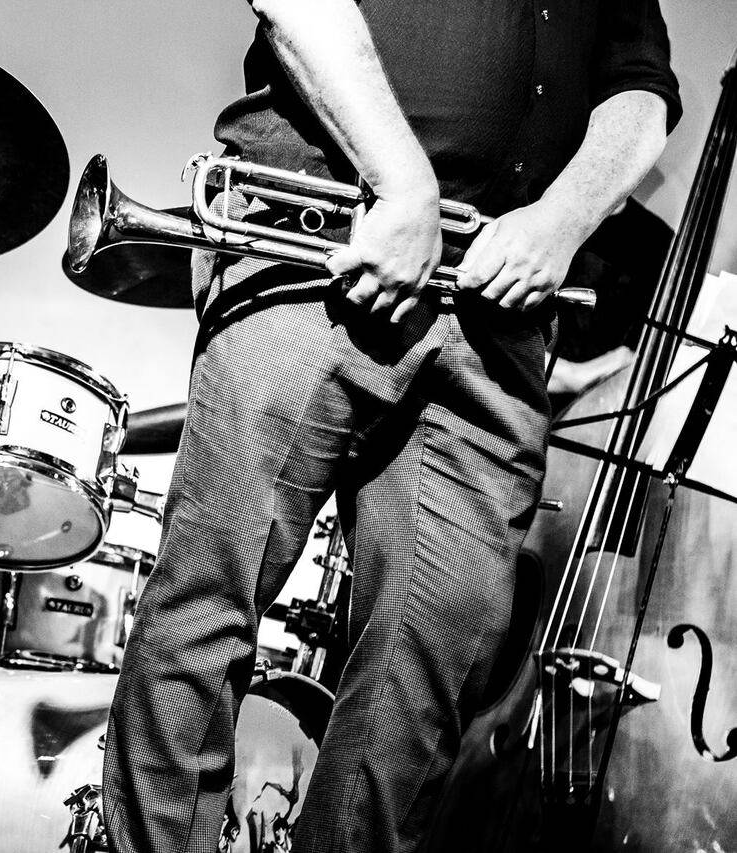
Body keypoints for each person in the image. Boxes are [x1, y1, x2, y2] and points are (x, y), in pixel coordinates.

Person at [102, 2, 680, 852]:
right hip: (327, 241)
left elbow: (641, 90)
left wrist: (560, 223)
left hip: (499, 309)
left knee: (434, 660)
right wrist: (404, 184)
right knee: (209, 603)